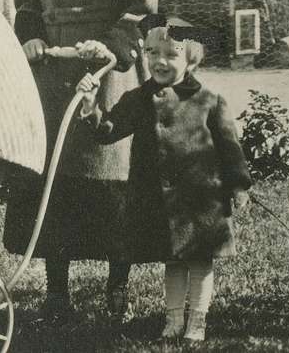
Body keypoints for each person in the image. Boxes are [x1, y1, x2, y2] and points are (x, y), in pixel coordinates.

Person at [2, 0, 159, 322]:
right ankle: (56, 292)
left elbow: (140, 6)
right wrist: (29, 33)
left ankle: (117, 286)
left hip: (108, 69)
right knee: (52, 180)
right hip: (50, 69)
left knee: (111, 176)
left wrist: (111, 47)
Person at [75, 24, 253, 342]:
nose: (160, 61)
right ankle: (173, 320)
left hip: (201, 199)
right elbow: (108, 131)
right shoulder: (138, 99)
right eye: (153, 53)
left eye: (172, 55)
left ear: (191, 60)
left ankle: (197, 320)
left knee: (200, 261)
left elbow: (230, 147)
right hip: (160, 200)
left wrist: (238, 185)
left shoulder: (209, 101)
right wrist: (90, 105)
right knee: (172, 261)